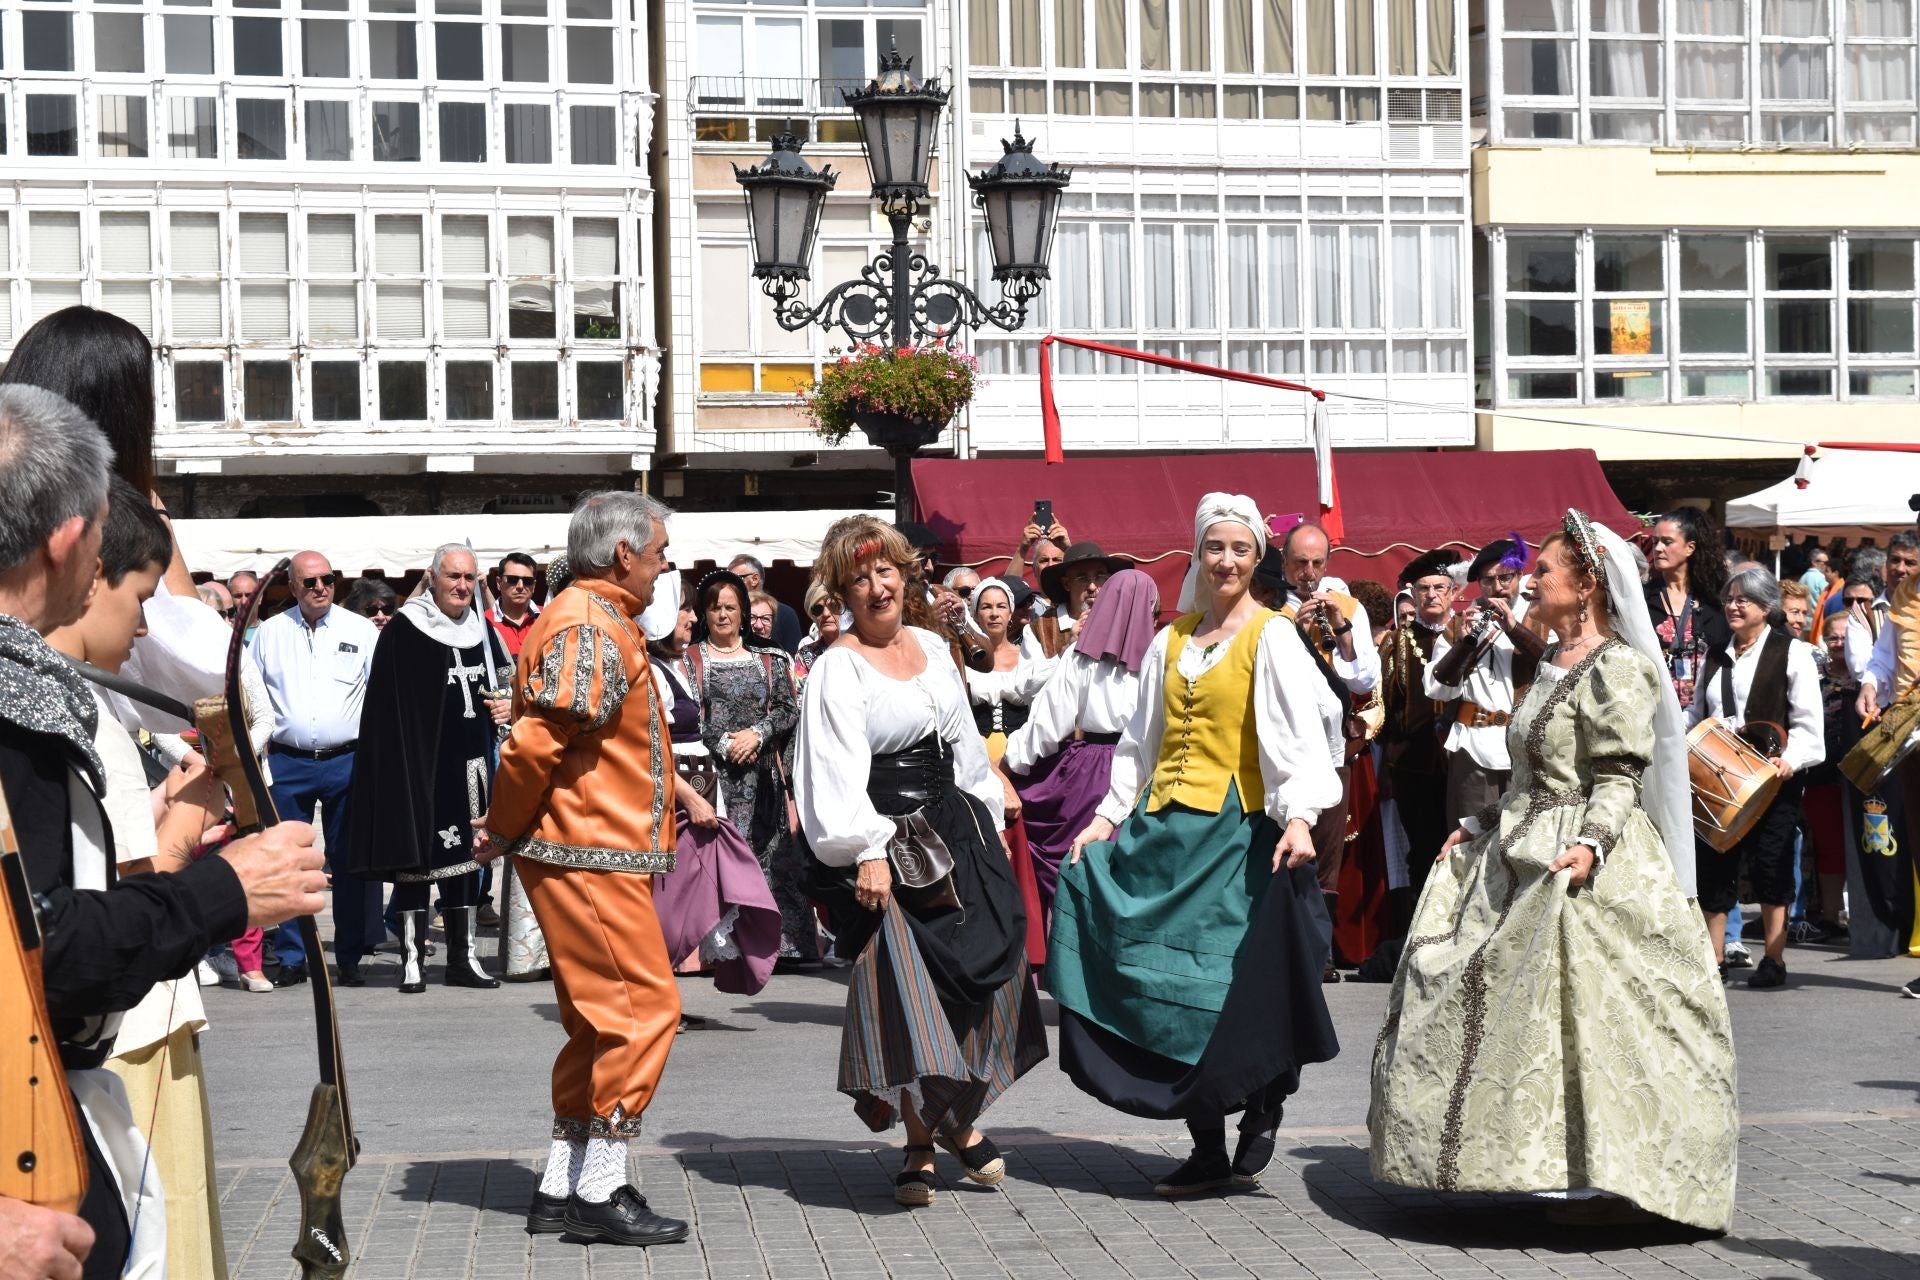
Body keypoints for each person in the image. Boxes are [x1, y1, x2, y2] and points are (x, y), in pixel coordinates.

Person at [0, 383, 326, 1276]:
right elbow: (47, 956)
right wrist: (223, 891)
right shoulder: (16, 701)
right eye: (106, 528)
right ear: (70, 538)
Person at [1370, 509, 1738, 1233]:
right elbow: (1528, 774)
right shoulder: (1550, 664)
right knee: (1490, 999)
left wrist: (1594, 845)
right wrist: (1476, 824)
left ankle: (1609, 1171)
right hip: (1524, 841)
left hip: (1585, 856)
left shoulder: (1621, 667)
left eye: (1544, 570)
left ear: (1588, 585)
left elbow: (1617, 778)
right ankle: (1532, 1161)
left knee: (1594, 1016)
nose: (1530, 580)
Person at [1050, 496, 1343, 1198]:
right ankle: (1207, 1146)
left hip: (1236, 836)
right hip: (1164, 836)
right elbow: (1138, 743)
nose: (1228, 560)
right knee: (1165, 991)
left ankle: (1266, 1096)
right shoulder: (1170, 640)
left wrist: (1299, 816)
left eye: (1241, 549)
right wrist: (1106, 818)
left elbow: (1303, 729)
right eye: (1216, 547)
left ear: (1256, 558)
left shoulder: (1271, 636)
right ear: (1198, 554)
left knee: (1226, 991)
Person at [793, 515, 1047, 1209]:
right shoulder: (836, 667)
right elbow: (831, 773)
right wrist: (866, 850)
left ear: (905, 574)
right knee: (912, 999)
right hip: (888, 845)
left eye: (885, 572)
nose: (876, 587)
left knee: (987, 982)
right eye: (858, 578)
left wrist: (989, 820)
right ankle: (925, 1141)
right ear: (841, 589)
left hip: (956, 830)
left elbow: (964, 745)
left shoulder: (936, 648)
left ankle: (957, 1117)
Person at [478, 491, 687, 1248]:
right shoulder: (588, 621)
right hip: (587, 849)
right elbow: (536, 744)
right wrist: (501, 827)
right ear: (624, 552)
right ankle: (601, 1187)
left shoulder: (586, 618)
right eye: (659, 550)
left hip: (588, 847)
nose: (666, 564)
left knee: (599, 1022)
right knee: (643, 1010)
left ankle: (561, 1183)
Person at [44, 478, 231, 1279]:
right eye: (142, 594)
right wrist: (191, 827)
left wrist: (167, 804)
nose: (147, 621)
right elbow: (107, 906)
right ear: (84, 569)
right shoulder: (64, 708)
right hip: (116, 1026)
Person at [345, 545, 512, 993]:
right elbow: (384, 709)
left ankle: (464, 957)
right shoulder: (404, 630)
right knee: (417, 864)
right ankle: (412, 959)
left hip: (473, 767)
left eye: (470, 578)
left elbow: (507, 684)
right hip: (420, 768)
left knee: (467, 863)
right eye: (454, 577)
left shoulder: (482, 630)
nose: (462, 586)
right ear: (433, 578)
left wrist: (506, 706)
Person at [249, 550, 383, 987]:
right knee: (290, 862)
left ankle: (349, 955)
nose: (321, 587)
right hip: (287, 761)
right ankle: (292, 955)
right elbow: (251, 696)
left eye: (328, 579)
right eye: (310, 582)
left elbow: (380, 694)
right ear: (293, 587)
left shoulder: (360, 629)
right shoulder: (269, 634)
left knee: (348, 862)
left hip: (348, 758)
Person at [1687, 569, 1825, 988]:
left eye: (1743, 600)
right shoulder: (1715, 654)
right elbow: (1696, 715)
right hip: (1718, 782)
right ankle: (1713, 957)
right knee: (1713, 866)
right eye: (1729, 598)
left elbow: (1807, 725)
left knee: (1772, 864)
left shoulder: (1792, 652)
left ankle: (1774, 958)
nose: (1733, 605)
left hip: (1774, 781)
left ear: (1766, 609)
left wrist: (1791, 759)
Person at [1003, 569, 1157, 933]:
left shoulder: (1081, 656)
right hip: (1147, 771)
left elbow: (1047, 723)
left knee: (1080, 867)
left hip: (1090, 769)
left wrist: (1009, 763)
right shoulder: (1162, 659)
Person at [645, 593, 782, 996]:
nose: (692, 617)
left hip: (698, 788)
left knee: (687, 893)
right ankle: (654, 997)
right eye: (684, 609)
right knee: (669, 897)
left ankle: (663, 996)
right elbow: (651, 748)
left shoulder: (673, 666)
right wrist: (689, 797)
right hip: (680, 796)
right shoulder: (651, 672)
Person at [1273, 522, 1383, 973]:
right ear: (1284, 563)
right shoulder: (1268, 608)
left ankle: (1316, 953)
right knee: (1280, 843)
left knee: (1326, 850)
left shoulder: (1349, 608)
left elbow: (1365, 678)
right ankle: (1282, 950)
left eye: (1318, 563)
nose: (1309, 573)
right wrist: (1294, 634)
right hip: (1281, 746)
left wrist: (1339, 630)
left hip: (1330, 745)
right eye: (1300, 563)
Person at [686, 571, 811, 965]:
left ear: (743, 612)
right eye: (714, 608)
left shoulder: (771, 659)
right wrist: (724, 742)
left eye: (730, 607)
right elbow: (689, 716)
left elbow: (789, 709)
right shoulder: (690, 661)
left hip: (765, 779)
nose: (722, 615)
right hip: (716, 780)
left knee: (774, 861)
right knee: (722, 861)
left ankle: (782, 945)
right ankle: (724, 951)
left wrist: (756, 735)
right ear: (705, 614)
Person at [1424, 537, 1545, 833]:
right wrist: (1463, 647)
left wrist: (1513, 629)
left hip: (1526, 749)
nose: (1498, 586)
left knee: (1524, 840)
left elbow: (1555, 665)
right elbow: (1436, 689)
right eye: (1488, 580)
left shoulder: (1542, 619)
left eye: (1505, 577)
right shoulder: (1459, 625)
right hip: (1473, 748)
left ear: (1519, 576)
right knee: (1470, 843)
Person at [1379, 550, 1462, 932]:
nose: (1431, 595)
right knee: (1422, 851)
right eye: (1423, 588)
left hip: (1462, 761)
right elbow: (1385, 705)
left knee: (1462, 846)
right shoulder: (1397, 642)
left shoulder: (1466, 635)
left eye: (1439, 587)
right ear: (1413, 594)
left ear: (1453, 591)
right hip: (1413, 766)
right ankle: (1421, 932)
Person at [1645, 508, 1731, 710]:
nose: (1657, 548)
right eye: (1655, 541)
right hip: (1656, 713)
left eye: (1667, 542)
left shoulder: (1716, 602)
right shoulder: (1641, 600)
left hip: (1706, 717)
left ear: (1690, 548)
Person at [964, 577, 1054, 765]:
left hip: (1022, 757)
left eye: (1001, 606)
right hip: (974, 756)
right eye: (986, 607)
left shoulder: (1027, 656)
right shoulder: (964, 660)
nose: (994, 613)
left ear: (1010, 612)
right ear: (975, 613)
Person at [1025, 541, 1129, 661]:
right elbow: (1029, 679)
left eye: (1099, 577)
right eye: (1083, 578)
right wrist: (1067, 648)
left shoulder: (1122, 622)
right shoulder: (1038, 629)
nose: (1092, 587)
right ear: (1067, 584)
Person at [729, 553, 802, 654]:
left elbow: (793, 658)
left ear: (754, 579)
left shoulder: (785, 613)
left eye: (734, 579)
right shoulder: (730, 612)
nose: (729, 585)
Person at [488, 552, 543, 657]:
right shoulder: (485, 622)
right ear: (499, 583)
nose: (520, 586)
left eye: (527, 581)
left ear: (534, 585)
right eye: (512, 579)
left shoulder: (549, 616)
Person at [795, 579, 841, 673]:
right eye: (817, 609)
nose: (826, 614)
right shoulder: (805, 655)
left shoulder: (862, 649)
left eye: (833, 606)